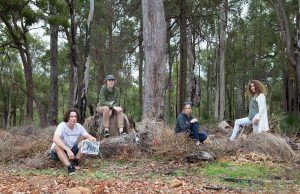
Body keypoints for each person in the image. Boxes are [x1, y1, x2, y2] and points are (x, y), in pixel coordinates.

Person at [49, 108, 96, 175]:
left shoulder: (78, 126)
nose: (73, 118)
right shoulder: (62, 125)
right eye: (71, 116)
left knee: (85, 142)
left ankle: (75, 162)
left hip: (71, 151)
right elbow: (55, 139)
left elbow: (88, 136)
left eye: (75, 116)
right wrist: (67, 150)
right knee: (57, 145)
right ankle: (70, 167)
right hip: (57, 152)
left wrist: (92, 138)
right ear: (68, 117)